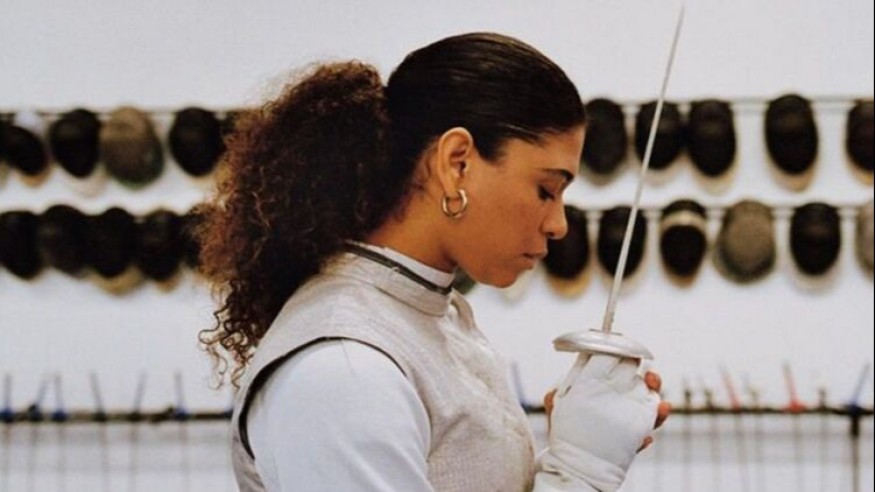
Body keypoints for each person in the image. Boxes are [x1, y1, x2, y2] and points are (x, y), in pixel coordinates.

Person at [197, 32, 670, 492]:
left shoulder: (427, 320)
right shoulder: (343, 368)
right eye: (546, 189)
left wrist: (572, 451)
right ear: (457, 162)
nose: (558, 224)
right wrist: (582, 470)